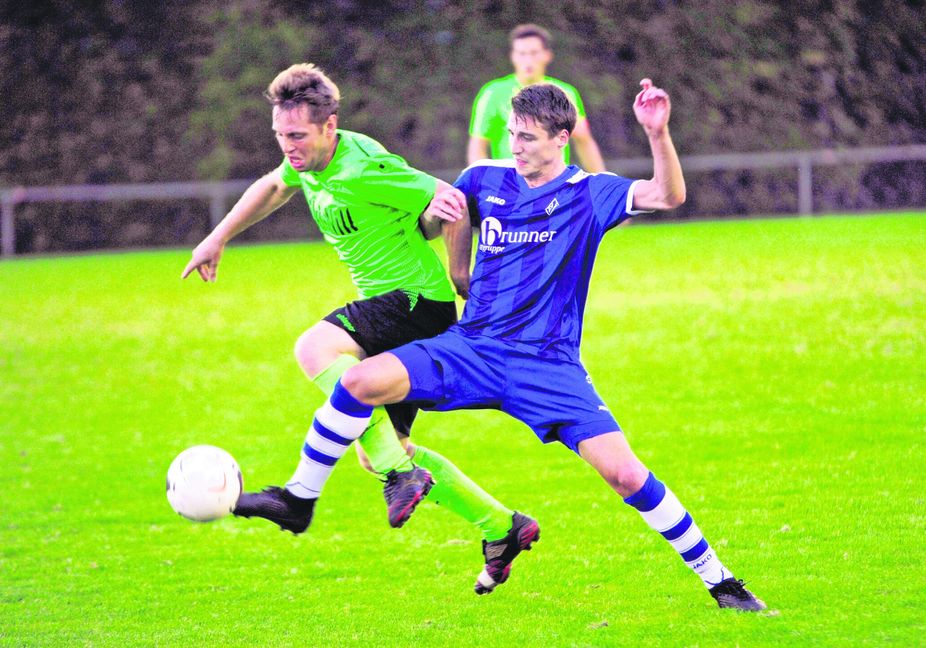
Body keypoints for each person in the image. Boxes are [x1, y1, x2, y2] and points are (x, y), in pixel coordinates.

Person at [310, 80, 767, 610]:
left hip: (547, 365)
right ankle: (324, 492)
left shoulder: (590, 192)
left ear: (561, 139)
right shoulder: (483, 179)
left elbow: (668, 195)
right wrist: (451, 256)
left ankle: (721, 582)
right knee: (359, 381)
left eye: (527, 137)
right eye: (511, 134)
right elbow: (444, 217)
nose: (515, 146)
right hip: (472, 347)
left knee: (623, 473)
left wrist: (657, 133)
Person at [181, 64, 536, 589]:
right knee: (380, 450)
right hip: (400, 309)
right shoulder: (304, 162)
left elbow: (453, 200)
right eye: (280, 135)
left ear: (330, 126)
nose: (288, 146)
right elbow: (274, 186)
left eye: (298, 135)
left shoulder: (364, 166)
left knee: (315, 349)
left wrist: (461, 275)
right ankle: (502, 526)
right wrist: (218, 237)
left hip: (415, 301)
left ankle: (312, 496)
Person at [467, 23, 606, 172]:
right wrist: (483, 184)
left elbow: (584, 141)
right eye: (522, 53)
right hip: (511, 188)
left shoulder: (565, 93)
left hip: (555, 186)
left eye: (534, 53)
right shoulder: (493, 93)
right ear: (513, 56)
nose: (528, 60)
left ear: (547, 55)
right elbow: (478, 146)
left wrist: (603, 185)